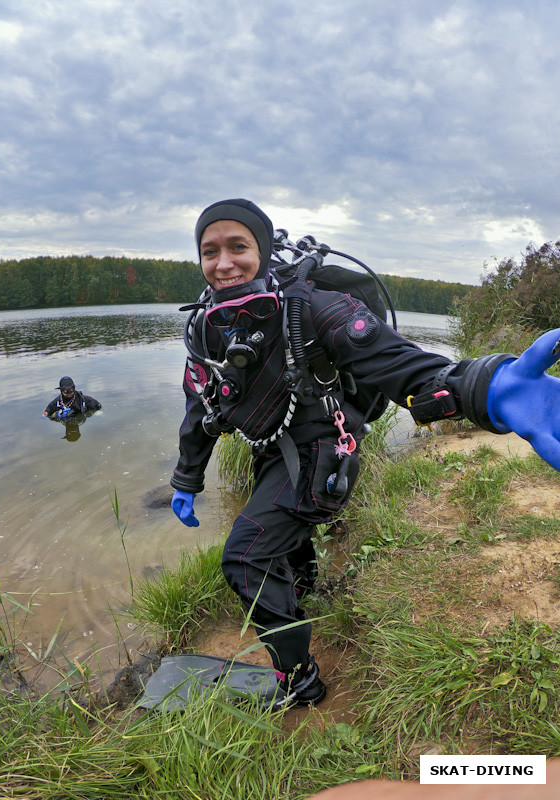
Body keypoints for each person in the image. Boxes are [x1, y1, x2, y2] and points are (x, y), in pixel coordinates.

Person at [170, 198, 560, 708]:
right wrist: (185, 479)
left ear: (263, 251)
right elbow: (201, 410)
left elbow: (404, 367)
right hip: (273, 453)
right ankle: (303, 596)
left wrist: (487, 389)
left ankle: (300, 680)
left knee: (246, 556)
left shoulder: (312, 307)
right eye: (210, 250)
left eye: (238, 246)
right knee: (284, 543)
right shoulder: (205, 329)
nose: (224, 263)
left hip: (324, 455)